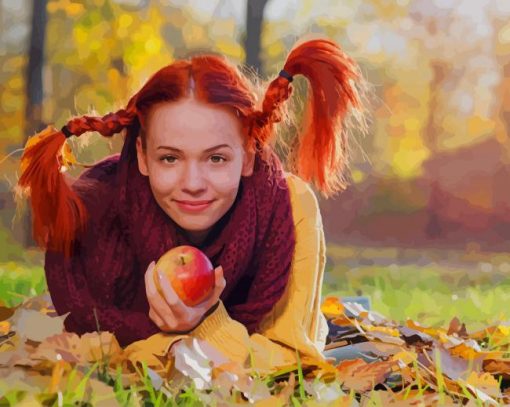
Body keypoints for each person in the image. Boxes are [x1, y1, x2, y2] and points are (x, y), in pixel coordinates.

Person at [17, 37, 368, 374]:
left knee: (340, 331)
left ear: (247, 155)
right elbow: (81, 346)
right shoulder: (94, 211)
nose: (193, 183)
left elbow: (294, 362)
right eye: (170, 159)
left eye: (216, 158)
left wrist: (202, 325)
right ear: (142, 157)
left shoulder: (288, 208)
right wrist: (184, 342)